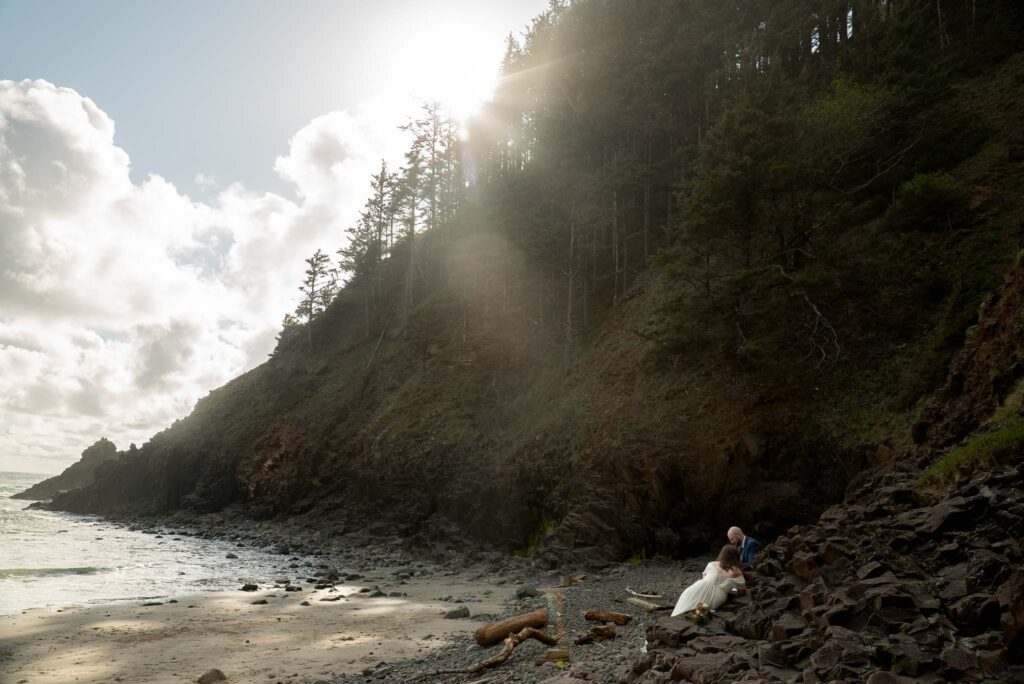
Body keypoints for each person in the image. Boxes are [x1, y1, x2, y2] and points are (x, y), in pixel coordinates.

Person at [670, 544, 746, 617]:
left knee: (685, 604)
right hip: (718, 595)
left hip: (699, 587)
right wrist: (728, 590)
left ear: (722, 554)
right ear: (736, 556)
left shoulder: (711, 564)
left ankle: (675, 618)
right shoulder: (736, 571)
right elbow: (742, 590)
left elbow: (704, 577)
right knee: (699, 611)